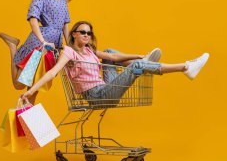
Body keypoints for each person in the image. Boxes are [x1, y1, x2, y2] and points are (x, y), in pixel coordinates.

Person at [20, 21, 209, 102]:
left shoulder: (89, 50)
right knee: (135, 67)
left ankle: (144, 61)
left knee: (110, 53)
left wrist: (138, 55)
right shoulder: (69, 51)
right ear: (74, 34)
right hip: (95, 95)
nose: (87, 35)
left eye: (89, 33)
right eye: (83, 32)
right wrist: (31, 91)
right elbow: (52, 72)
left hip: (105, 89)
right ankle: (185, 67)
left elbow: (113, 58)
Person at [0, 0, 83, 102]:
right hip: (39, 46)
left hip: (54, 46)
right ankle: (13, 47)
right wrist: (43, 42)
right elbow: (33, 20)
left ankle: (27, 114)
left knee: (35, 85)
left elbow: (65, 26)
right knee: (20, 84)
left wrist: (71, 49)